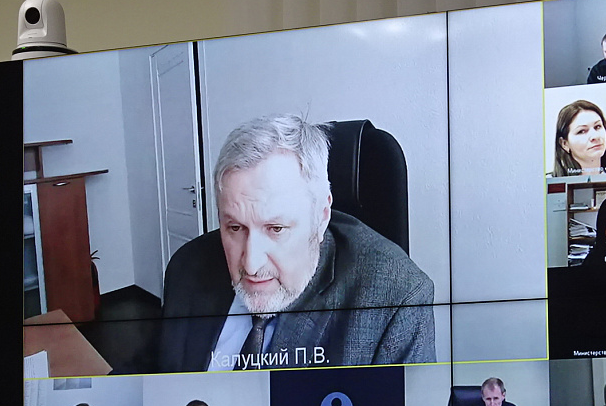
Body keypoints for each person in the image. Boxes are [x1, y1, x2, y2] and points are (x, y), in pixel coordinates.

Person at [159, 114, 435, 373]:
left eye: (276, 229)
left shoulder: (396, 299)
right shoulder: (187, 267)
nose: (251, 265)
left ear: (321, 216)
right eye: (235, 227)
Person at [553, 100, 606, 177]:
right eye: (582, 131)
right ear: (565, 144)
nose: (595, 136)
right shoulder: (546, 182)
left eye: (597, 126)